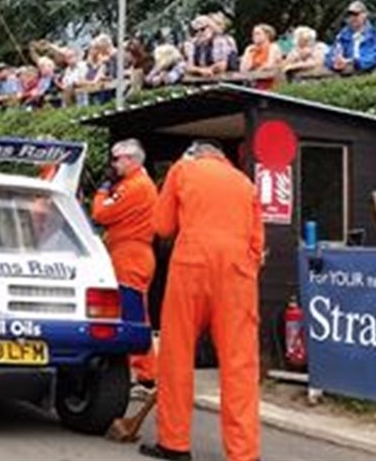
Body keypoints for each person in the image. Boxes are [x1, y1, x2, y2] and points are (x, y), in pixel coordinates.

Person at [142, 141, 264, 461]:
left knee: (176, 356)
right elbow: (257, 244)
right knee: (240, 364)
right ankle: (244, 453)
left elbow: (162, 225)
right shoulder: (245, 183)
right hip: (238, 273)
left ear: (193, 154)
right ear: (222, 158)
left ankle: (174, 443)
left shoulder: (182, 170)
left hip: (192, 266)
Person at [91, 139, 159, 392]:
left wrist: (102, 190)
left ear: (131, 160)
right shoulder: (137, 184)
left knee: (133, 315)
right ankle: (142, 371)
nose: (113, 164)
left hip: (131, 255)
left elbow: (101, 214)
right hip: (129, 253)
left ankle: (146, 374)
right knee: (131, 313)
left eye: (117, 159)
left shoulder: (135, 186)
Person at [325, 0, 376, 74]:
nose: (353, 17)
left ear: (364, 14)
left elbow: (374, 56)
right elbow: (332, 52)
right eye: (350, 15)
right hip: (345, 69)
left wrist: (353, 62)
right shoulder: (342, 34)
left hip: (369, 70)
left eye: (356, 14)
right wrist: (334, 62)